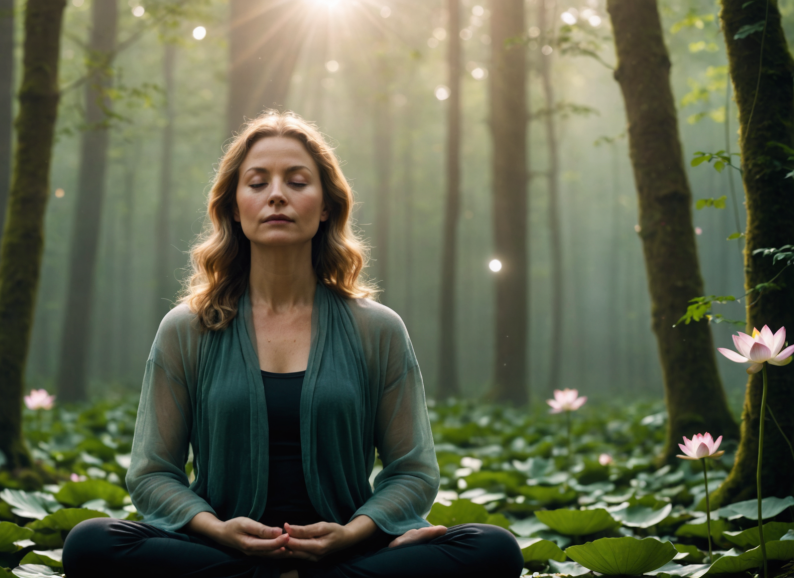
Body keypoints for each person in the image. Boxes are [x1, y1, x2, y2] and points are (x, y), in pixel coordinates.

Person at [61, 111, 523, 578]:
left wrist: (356, 531)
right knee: (91, 543)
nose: (276, 194)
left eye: (297, 182)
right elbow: (153, 472)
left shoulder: (377, 329)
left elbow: (413, 471)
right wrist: (217, 530)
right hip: (221, 554)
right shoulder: (187, 329)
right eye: (257, 183)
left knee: (494, 548)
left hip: (348, 551)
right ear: (234, 206)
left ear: (325, 206)